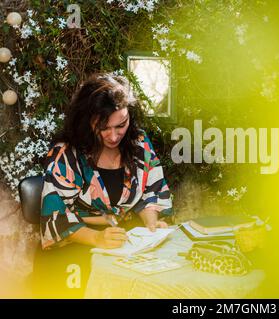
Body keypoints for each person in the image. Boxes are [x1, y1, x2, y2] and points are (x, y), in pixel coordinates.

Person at [32, 73, 173, 298]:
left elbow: (152, 191)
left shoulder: (139, 144)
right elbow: (55, 217)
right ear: (88, 120)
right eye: (104, 127)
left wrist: (152, 226)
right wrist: (97, 238)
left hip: (123, 244)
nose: (114, 136)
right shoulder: (66, 153)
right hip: (76, 248)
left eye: (121, 125)